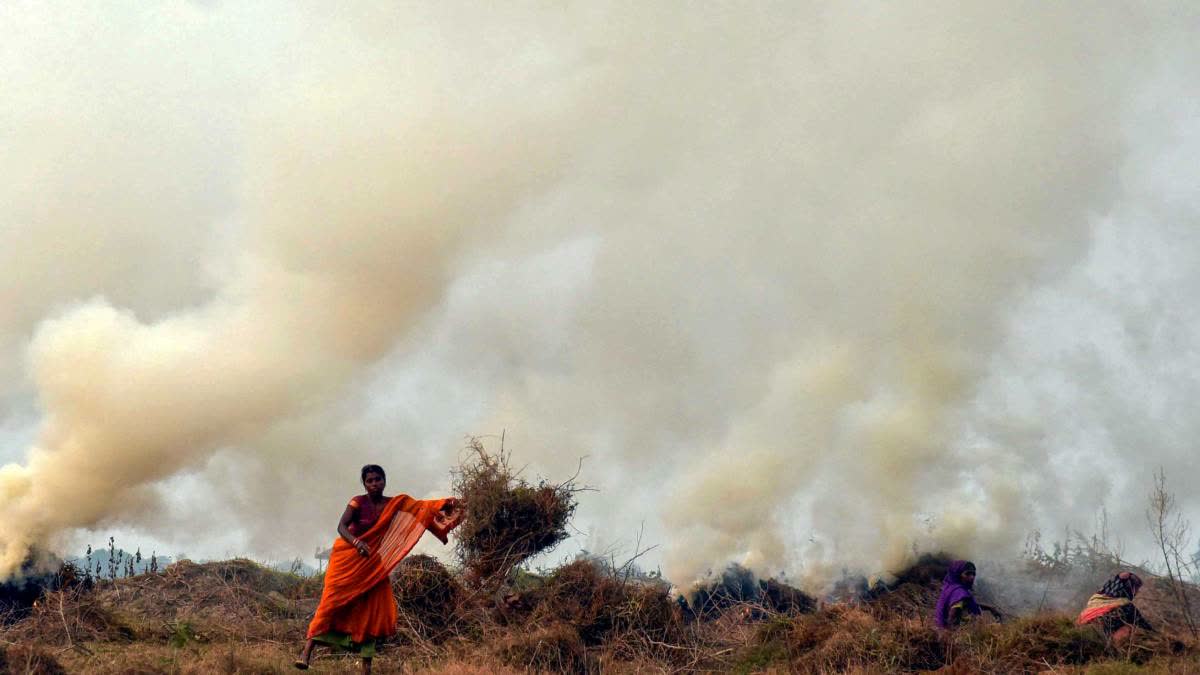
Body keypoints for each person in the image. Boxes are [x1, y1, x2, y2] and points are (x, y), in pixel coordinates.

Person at [295, 464, 463, 673]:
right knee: (331, 603)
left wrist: (446, 505)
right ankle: (306, 654)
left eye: (378, 479)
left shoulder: (394, 504)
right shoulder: (357, 502)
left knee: (373, 611)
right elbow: (341, 527)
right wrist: (357, 543)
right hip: (347, 560)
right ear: (364, 484)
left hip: (374, 565)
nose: (374, 484)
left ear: (384, 480)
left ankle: (367, 668)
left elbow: (421, 508)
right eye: (370, 480)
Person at [1077, 571, 1154, 643]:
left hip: (1081, 635)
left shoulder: (1095, 600)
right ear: (1128, 588)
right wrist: (1157, 635)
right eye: (1135, 589)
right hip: (1101, 641)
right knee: (1131, 630)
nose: (1136, 593)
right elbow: (1142, 624)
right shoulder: (1125, 605)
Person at [934, 560, 1002, 629]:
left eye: (973, 574)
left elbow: (966, 604)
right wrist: (987, 628)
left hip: (939, 630)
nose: (972, 577)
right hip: (952, 636)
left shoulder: (950, 587)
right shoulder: (959, 593)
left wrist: (989, 608)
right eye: (967, 574)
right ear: (958, 574)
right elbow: (952, 623)